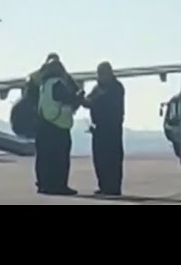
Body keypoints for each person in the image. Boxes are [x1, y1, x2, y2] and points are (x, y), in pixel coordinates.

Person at [35, 55, 84, 195]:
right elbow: (69, 98)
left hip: (44, 125)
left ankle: (44, 184)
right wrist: (79, 96)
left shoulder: (44, 85)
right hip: (58, 126)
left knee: (44, 158)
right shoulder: (57, 84)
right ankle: (59, 185)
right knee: (60, 159)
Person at [83, 61, 125, 196]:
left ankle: (113, 187)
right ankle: (104, 185)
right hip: (99, 128)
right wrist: (81, 99)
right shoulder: (98, 88)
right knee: (99, 159)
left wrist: (85, 101)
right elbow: (89, 100)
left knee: (112, 159)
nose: (100, 76)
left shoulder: (116, 88)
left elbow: (98, 101)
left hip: (112, 128)